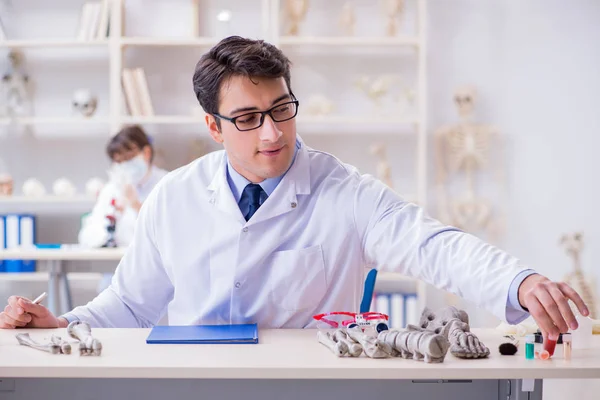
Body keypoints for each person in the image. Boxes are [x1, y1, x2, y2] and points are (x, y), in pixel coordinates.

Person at [0, 37, 588, 342]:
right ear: (213, 126)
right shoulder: (173, 198)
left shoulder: (345, 191)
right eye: (249, 118)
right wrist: (64, 324)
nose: (275, 132)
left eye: (282, 108)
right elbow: (131, 305)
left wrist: (519, 281)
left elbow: (433, 243)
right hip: (188, 385)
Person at [77, 125, 168, 291]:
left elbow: (169, 234)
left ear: (146, 153)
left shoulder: (167, 185)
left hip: (157, 277)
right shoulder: (112, 189)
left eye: (129, 158)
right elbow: (87, 235)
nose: (124, 165)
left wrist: (136, 205)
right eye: (119, 161)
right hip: (115, 274)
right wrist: (111, 220)